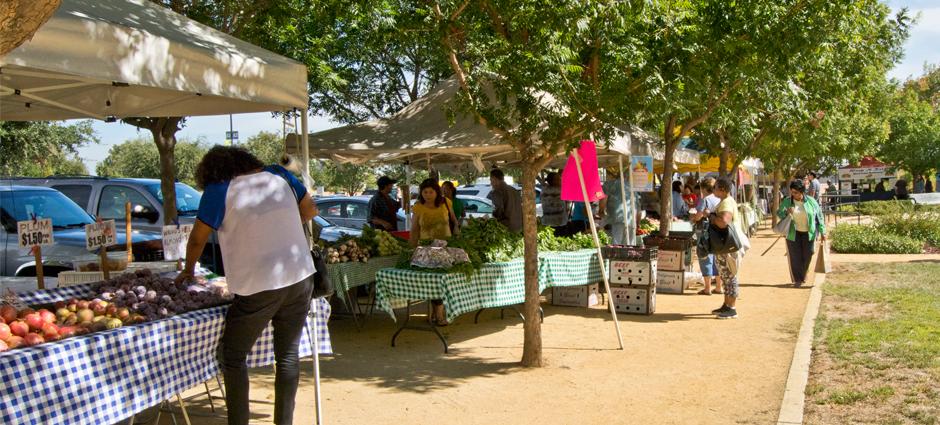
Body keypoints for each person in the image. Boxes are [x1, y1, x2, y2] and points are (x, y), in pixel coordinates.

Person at [176, 146, 317, 425]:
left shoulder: (220, 189)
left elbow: (197, 239)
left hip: (260, 283)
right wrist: (277, 223)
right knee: (287, 355)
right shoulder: (279, 174)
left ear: (212, 170)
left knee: (233, 355)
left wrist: (188, 270)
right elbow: (310, 210)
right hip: (301, 276)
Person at [410, 178, 459, 325]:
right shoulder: (418, 207)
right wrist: (412, 248)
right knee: (433, 281)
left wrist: (456, 230)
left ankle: (437, 313)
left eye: (431, 192)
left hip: (446, 246)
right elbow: (414, 229)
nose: (428, 195)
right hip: (427, 248)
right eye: (425, 192)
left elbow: (454, 220)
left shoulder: (446, 202)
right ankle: (438, 314)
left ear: (436, 192)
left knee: (443, 280)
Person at [777, 179, 826, 288]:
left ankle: (803, 273)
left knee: (809, 253)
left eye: (796, 192)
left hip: (809, 233)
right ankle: (798, 279)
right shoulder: (787, 201)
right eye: (792, 192)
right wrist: (786, 212)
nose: (793, 195)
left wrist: (823, 231)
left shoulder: (811, 201)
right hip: (792, 233)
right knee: (795, 257)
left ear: (802, 192)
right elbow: (779, 213)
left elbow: (819, 217)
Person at [710, 177, 746, 319]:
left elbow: (724, 221)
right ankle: (726, 305)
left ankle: (732, 308)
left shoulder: (726, 203)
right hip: (724, 246)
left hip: (729, 246)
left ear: (723, 189)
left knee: (730, 277)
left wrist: (712, 217)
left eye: (716, 187)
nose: (714, 190)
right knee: (726, 276)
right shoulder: (725, 202)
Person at [690, 177, 723, 295]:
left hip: (706, 232)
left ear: (704, 188)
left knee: (705, 257)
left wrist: (694, 218)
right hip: (719, 231)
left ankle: (707, 288)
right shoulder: (720, 199)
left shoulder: (706, 200)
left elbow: (699, 216)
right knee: (717, 258)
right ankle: (719, 286)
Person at [598, 169, 638, 245]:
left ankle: (615, 256)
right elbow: (638, 208)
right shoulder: (631, 186)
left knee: (616, 244)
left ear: (610, 175)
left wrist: (601, 211)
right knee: (629, 246)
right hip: (631, 219)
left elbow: (603, 199)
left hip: (617, 217)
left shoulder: (608, 184)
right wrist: (637, 222)